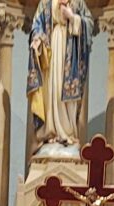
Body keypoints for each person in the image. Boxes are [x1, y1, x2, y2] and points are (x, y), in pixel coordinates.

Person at [27, 0, 94, 151]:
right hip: (52, 52)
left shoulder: (78, 2)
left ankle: (67, 132)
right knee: (53, 90)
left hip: (71, 52)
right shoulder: (45, 3)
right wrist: (37, 39)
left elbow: (89, 24)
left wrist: (73, 18)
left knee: (68, 97)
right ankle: (50, 132)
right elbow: (37, 25)